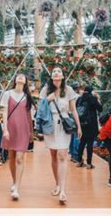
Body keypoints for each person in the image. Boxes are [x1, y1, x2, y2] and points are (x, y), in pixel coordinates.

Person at [39, 67, 82, 204]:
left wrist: (79, 126)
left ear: (63, 76)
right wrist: (47, 99)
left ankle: (63, 190)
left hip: (64, 124)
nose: (56, 73)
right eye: (54, 72)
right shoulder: (45, 90)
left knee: (62, 155)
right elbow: (39, 108)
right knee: (53, 155)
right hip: (50, 124)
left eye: (59, 72)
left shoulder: (69, 90)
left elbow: (73, 110)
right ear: (52, 77)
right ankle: (57, 184)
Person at [0, 74, 34, 201]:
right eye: (18, 76)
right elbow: (4, 112)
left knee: (20, 158)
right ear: (14, 80)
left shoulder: (27, 97)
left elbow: (29, 116)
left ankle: (17, 188)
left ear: (25, 81)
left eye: (22, 77)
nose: (20, 78)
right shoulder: (7, 94)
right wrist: (5, 129)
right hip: (11, 129)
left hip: (24, 130)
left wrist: (31, 132)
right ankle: (14, 181)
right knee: (12, 157)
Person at [76, 85, 102, 169]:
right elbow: (100, 109)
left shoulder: (79, 99)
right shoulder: (92, 98)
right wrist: (97, 99)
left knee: (82, 143)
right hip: (91, 124)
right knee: (90, 144)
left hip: (82, 123)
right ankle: (89, 163)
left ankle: (79, 161)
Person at [68, 82, 81, 163]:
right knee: (77, 136)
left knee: (72, 135)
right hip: (75, 116)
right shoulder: (78, 97)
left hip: (69, 117)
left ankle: (72, 153)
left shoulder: (69, 96)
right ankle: (75, 155)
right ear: (77, 88)